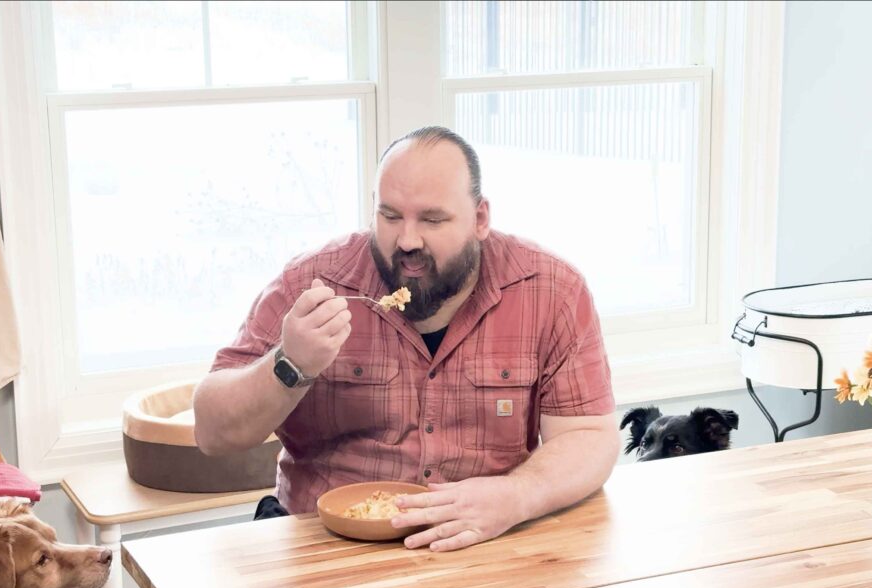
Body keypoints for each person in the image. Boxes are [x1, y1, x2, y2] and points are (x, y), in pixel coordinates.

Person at [194, 126, 618, 552]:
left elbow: (589, 436)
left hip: (484, 544)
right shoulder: (311, 282)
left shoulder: (551, 290)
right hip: (323, 552)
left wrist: (517, 496)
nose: (407, 240)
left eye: (432, 220)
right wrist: (289, 364)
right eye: (390, 216)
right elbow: (213, 433)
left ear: (481, 218)